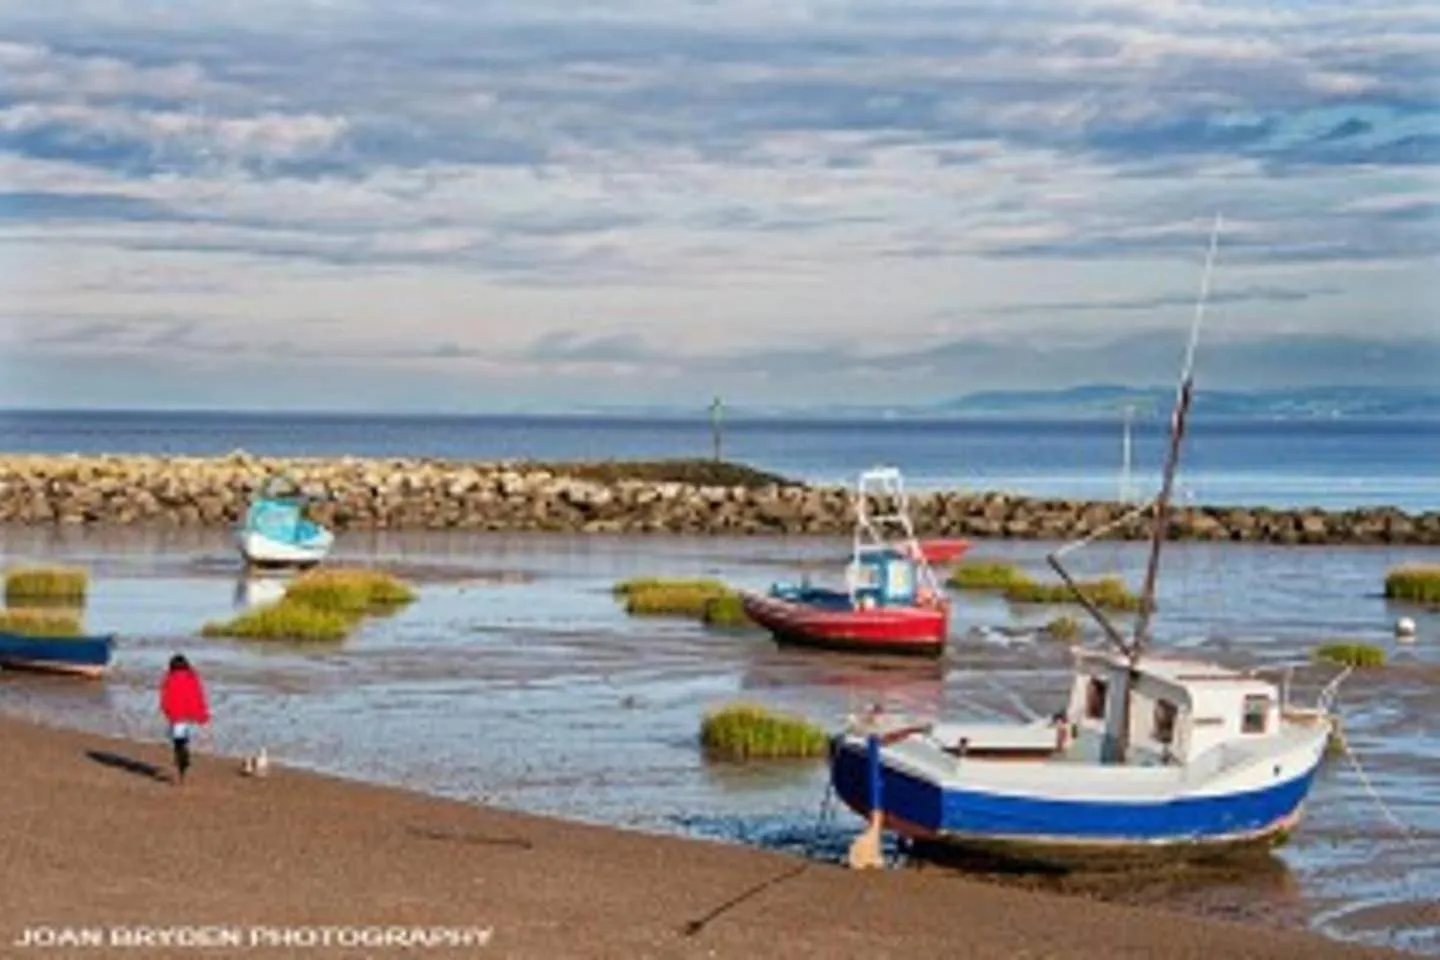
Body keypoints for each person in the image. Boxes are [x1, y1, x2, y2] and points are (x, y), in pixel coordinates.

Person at [159, 654, 210, 784]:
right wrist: (203, 715)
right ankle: (183, 757)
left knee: (177, 740)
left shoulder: (169, 678)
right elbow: (198, 696)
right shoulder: (192, 677)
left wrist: (165, 710)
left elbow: (165, 697)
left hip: (176, 715)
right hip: (190, 714)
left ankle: (181, 761)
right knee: (183, 737)